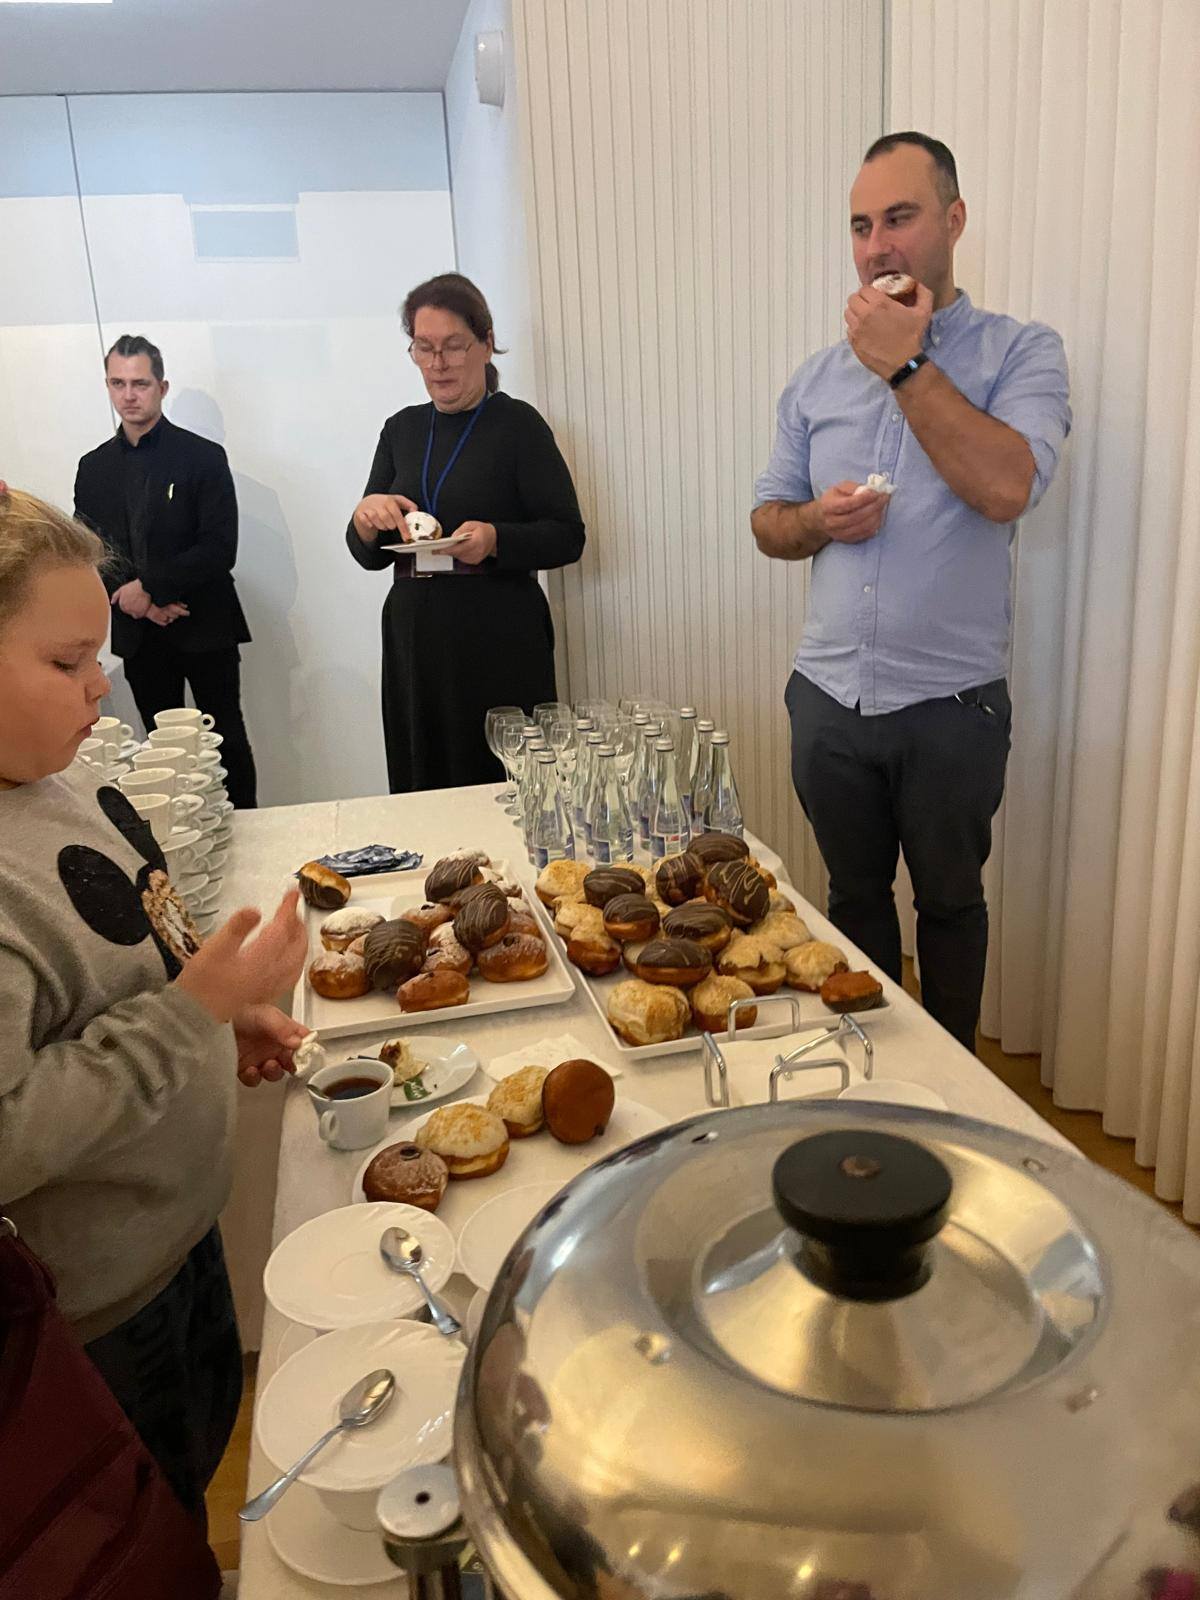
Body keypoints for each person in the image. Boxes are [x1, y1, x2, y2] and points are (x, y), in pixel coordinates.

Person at [0, 482, 308, 1526]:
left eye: (98, 655)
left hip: (175, 1241)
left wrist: (216, 1012)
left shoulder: (55, 776)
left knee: (198, 1467)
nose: (103, 683)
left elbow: (131, 949)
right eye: (66, 662)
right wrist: (187, 1017)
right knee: (146, 1531)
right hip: (91, 1314)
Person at [751, 132, 1071, 1052]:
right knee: (851, 902)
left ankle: (947, 1088)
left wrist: (903, 363)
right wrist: (818, 520)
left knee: (950, 904)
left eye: (899, 218)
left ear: (954, 221)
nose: (877, 245)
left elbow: (1008, 487)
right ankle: (870, 1079)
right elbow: (767, 522)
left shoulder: (1021, 352)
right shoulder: (816, 377)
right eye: (861, 226)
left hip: (951, 705)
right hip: (829, 696)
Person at [346, 273, 585, 792]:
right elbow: (370, 553)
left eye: (453, 346)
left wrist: (497, 540)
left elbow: (568, 535)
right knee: (422, 784)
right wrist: (365, 519)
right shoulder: (401, 429)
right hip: (415, 639)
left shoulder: (518, 425)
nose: (438, 363)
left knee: (502, 785)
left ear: (486, 343)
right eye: (424, 347)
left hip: (497, 634)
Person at [74, 334, 259, 809]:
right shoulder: (93, 467)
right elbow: (90, 551)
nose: (128, 395)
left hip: (205, 622)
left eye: (139, 383)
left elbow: (219, 547)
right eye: (118, 383)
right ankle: (177, 838)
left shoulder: (203, 456)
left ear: (162, 387)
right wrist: (137, 600)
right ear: (107, 386)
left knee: (226, 736)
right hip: (139, 632)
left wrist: (151, 589)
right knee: (161, 750)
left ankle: (249, 826)